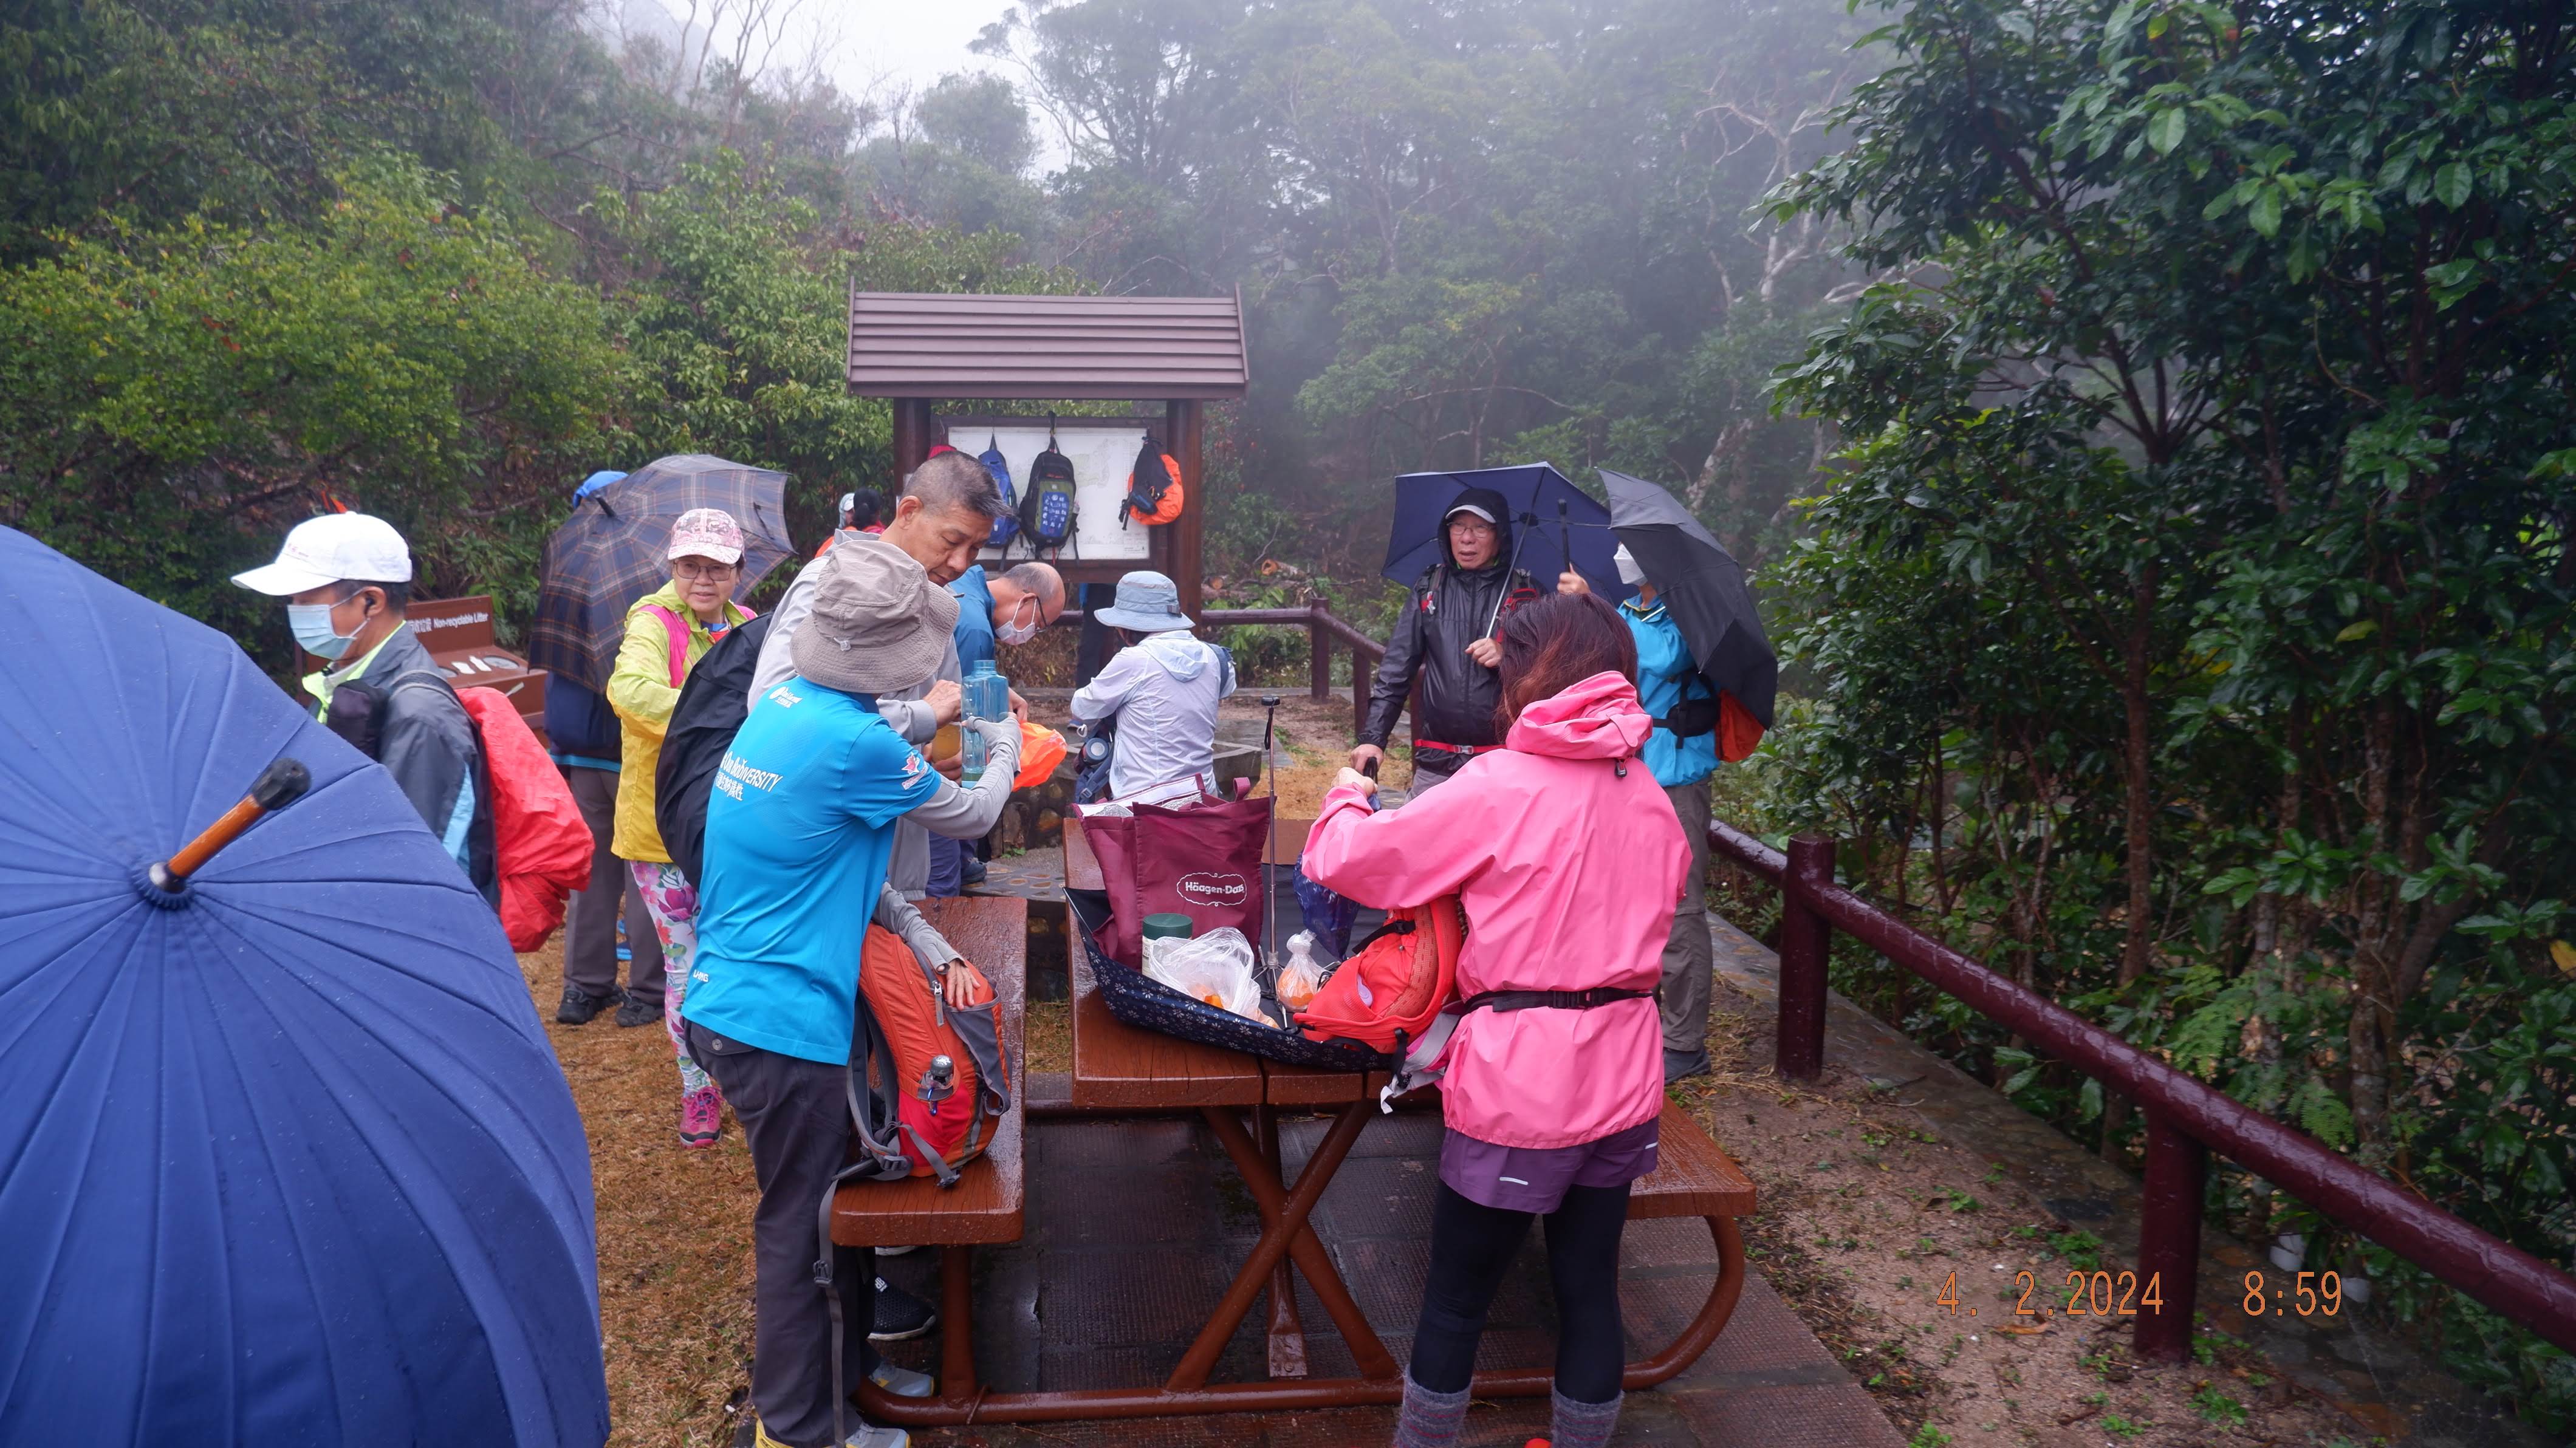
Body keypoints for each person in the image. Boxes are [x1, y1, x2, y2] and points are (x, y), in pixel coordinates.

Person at [1301, 590, 1687, 1448]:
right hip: (1626, 1067)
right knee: (1589, 1288)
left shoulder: (1500, 784)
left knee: (1456, 1300)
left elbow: (1348, 861)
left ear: (1532, 671)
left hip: (1523, 1079)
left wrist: (1346, 794)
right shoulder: (1647, 791)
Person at [680, 539, 1022, 1448]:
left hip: (740, 994)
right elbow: (975, 813)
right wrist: (1005, 743)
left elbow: (842, 847)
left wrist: (924, 939)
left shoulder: (788, 703)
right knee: (804, 1232)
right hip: (779, 1020)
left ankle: (852, 1380)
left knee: (838, 1208)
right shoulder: (854, 743)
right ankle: (801, 1428)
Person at [755, 450, 1021, 899]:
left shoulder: (936, 600)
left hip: (896, 860)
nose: (961, 563)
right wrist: (918, 718)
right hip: (821, 862)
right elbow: (773, 703)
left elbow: (941, 704)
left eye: (975, 549)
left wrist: (953, 729)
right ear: (909, 511)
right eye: (952, 540)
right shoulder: (831, 583)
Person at [232, 513, 495, 902]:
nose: (294, 610)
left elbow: (410, 869)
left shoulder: (418, 714)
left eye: (306, 600)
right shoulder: (343, 680)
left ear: (371, 601)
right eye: (292, 601)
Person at [608, 507, 756, 1148]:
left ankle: (746, 1074)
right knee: (687, 964)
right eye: (690, 566)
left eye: (716, 567)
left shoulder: (749, 627)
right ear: (672, 566)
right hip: (662, 830)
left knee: (738, 956)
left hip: (735, 824)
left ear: (738, 571)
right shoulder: (653, 621)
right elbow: (630, 691)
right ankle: (698, 1089)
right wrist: (718, 712)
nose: (703, 579)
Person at [546, 474, 668, 1027]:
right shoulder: (645, 575)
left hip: (577, 748)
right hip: (629, 751)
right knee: (644, 865)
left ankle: (583, 988)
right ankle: (647, 990)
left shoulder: (567, 565)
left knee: (593, 873)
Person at [1351, 488, 1538, 793]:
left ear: (1500, 535)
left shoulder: (1527, 592)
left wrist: (1509, 655)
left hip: (1506, 763)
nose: (1467, 538)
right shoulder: (1430, 587)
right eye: (1458, 526)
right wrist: (1373, 739)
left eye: (1480, 528)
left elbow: (1552, 673)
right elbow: (1397, 668)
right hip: (1436, 763)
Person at [928, 559, 1066, 894]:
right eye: (1040, 625)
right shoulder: (975, 628)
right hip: (941, 765)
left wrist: (1000, 690)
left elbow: (960, 682)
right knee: (940, 877)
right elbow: (961, 709)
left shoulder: (966, 587)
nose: (1032, 635)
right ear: (1028, 600)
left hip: (920, 749)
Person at [1067, 570, 1236, 805]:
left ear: (1127, 626)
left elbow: (1082, 708)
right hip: (1202, 796)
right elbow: (1228, 687)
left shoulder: (1134, 661)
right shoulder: (1215, 657)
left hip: (1144, 802)